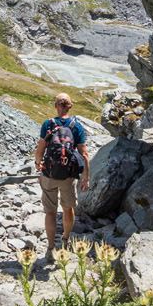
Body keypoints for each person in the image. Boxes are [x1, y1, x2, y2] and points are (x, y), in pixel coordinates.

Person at [33, 92, 91, 261]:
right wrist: (85, 176)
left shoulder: (48, 124)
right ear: (70, 106)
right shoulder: (76, 126)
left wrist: (38, 163)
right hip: (68, 175)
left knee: (50, 212)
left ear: (56, 106)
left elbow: (40, 149)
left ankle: (51, 247)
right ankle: (65, 239)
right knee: (68, 208)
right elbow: (85, 154)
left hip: (49, 173)